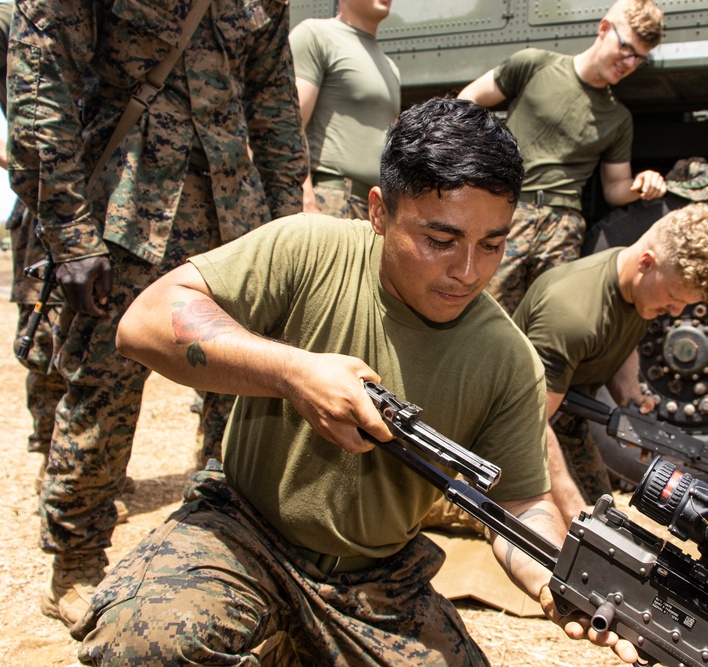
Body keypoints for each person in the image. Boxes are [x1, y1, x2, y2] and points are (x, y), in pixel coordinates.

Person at [72, 97, 638, 666]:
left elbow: (521, 502)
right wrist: (294, 372)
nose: (468, 272)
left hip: (378, 579)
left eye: (491, 244)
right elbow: (144, 322)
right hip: (243, 531)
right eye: (440, 240)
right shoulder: (308, 248)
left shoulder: (509, 359)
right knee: (140, 645)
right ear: (379, 211)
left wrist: (551, 579)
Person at [6, 0, 308, 628]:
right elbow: (42, 81)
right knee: (101, 397)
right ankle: (76, 564)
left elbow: (275, 108)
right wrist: (70, 231)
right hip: (122, 217)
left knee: (246, 392)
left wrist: (284, 233)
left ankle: (223, 546)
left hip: (235, 221)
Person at [513, 202, 708, 525]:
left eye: (684, 305)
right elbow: (527, 424)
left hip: (565, 423)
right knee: (573, 534)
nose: (676, 313)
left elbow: (620, 338)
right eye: (674, 298)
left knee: (609, 526)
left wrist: (630, 398)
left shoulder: (638, 286)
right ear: (647, 262)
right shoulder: (572, 313)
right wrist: (579, 515)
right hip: (508, 437)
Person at [459, 0, 668, 314]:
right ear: (603, 29)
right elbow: (468, 101)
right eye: (626, 48)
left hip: (563, 226)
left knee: (548, 319)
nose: (628, 62)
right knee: (481, 312)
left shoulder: (618, 117)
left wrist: (643, 183)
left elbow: (614, 188)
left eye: (638, 57)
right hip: (510, 211)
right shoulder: (534, 64)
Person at [0, 0, 68, 493]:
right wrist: (26, 162)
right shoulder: (13, 17)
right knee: (47, 331)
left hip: (108, 191)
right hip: (49, 197)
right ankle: (51, 455)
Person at [291, 0, 400, 219]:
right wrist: (305, 196)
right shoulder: (315, 35)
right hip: (331, 200)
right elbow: (289, 125)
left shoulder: (390, 67)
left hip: (374, 208)